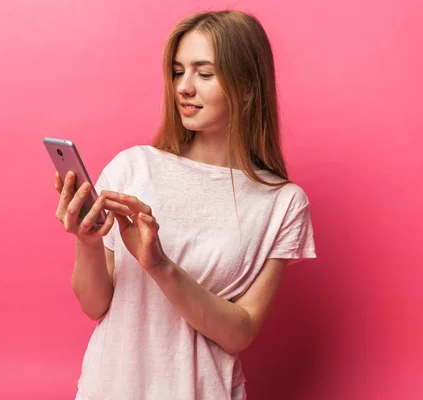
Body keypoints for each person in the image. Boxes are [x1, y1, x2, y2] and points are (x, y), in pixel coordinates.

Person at [53, 9, 316, 400]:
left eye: (204, 73)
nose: (184, 88)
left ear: (246, 88)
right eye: (178, 72)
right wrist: (88, 243)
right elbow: (94, 306)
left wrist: (160, 266)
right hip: (109, 388)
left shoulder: (282, 203)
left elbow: (239, 332)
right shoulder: (133, 166)